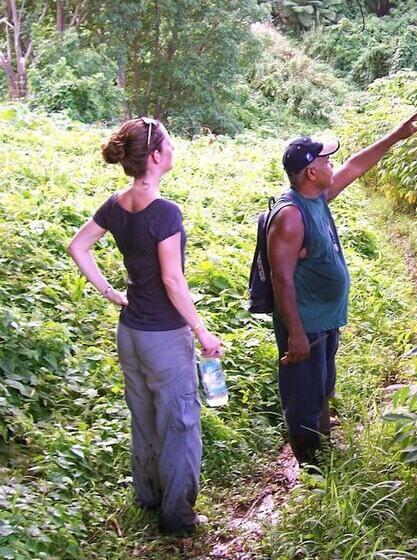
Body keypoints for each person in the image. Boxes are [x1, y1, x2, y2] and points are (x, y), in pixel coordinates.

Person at [68, 117, 222, 535]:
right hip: (165, 338)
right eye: (168, 144)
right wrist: (202, 331)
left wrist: (111, 293)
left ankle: (148, 496)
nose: (173, 149)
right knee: (180, 424)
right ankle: (178, 518)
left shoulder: (116, 204)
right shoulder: (165, 212)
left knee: (144, 418)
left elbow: (78, 246)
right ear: (155, 156)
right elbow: (173, 280)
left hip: (131, 333)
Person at [268, 110, 417, 465]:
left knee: (321, 389)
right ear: (311, 172)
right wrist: (296, 334)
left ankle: (323, 453)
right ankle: (311, 468)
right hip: (305, 326)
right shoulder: (291, 216)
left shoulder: (317, 197)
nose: (332, 164)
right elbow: (281, 279)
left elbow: (355, 166)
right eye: (326, 161)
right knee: (304, 397)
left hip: (323, 321)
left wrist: (395, 136)